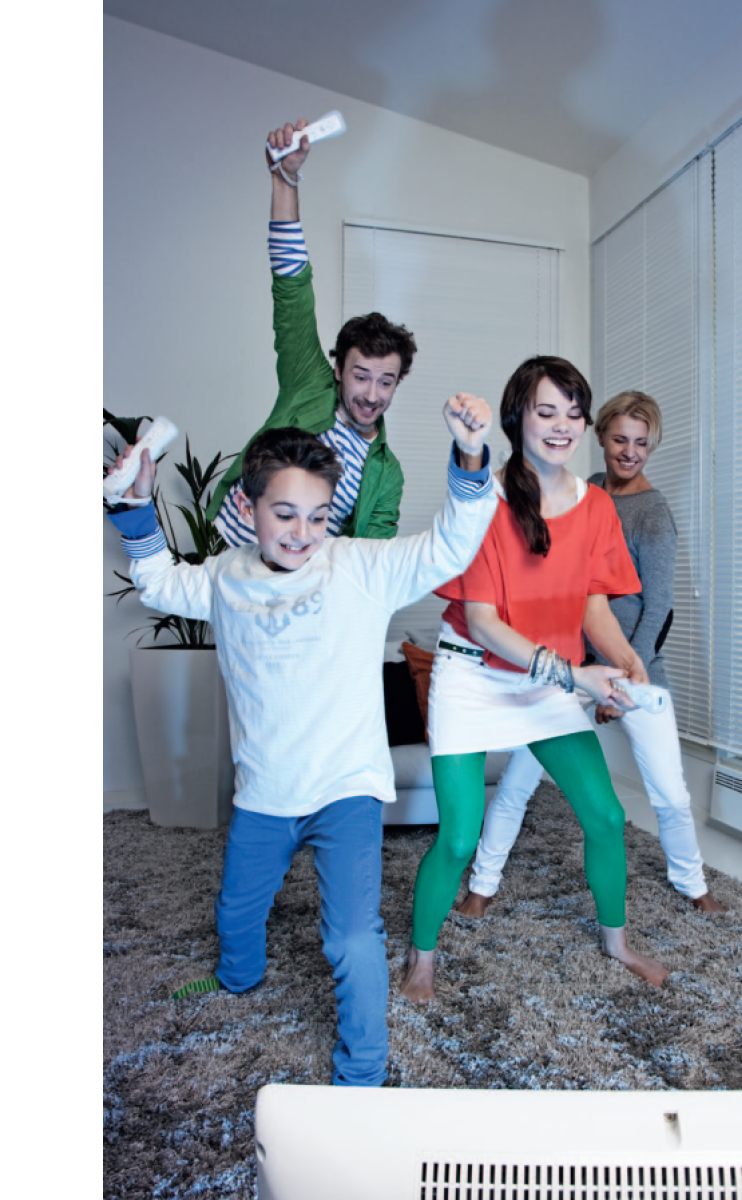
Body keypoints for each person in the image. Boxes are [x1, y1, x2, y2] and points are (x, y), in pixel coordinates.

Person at [106, 394, 496, 1086]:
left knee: (352, 937)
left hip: (346, 789)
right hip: (266, 791)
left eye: (318, 516)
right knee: (236, 911)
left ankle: (363, 1074)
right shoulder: (226, 576)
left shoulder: (360, 567)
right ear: (248, 506)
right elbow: (159, 584)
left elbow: (449, 547)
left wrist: (470, 457)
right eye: (284, 513)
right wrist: (133, 504)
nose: (302, 532)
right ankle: (237, 978)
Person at [399, 357, 670, 1005]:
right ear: (517, 416)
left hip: (545, 681)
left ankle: (617, 942)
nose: (562, 426)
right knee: (458, 837)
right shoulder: (485, 500)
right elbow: (485, 624)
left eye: (574, 414)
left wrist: (627, 661)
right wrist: (577, 675)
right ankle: (421, 957)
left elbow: (593, 609)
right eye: (547, 412)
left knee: (606, 815)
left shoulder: (596, 505)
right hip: (472, 675)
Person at [458, 391, 727, 917]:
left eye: (642, 443)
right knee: (518, 781)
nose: (630, 452)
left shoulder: (652, 514)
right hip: (571, 667)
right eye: (620, 439)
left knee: (670, 793)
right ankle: (482, 884)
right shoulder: (586, 493)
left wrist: (624, 680)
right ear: (599, 436)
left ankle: (693, 884)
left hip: (635, 668)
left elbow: (660, 608)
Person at [207, 118, 415, 545]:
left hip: (292, 577)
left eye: (386, 381)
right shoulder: (308, 382)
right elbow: (292, 291)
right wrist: (284, 179)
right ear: (338, 369)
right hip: (222, 556)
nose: (372, 395)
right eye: (361, 376)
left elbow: (370, 556)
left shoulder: (387, 474)